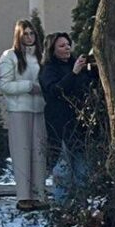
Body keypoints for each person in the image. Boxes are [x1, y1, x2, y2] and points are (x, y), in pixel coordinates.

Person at [0, 19, 49, 208]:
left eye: (32, 33)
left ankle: (39, 194)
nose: (29, 37)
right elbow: (5, 85)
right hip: (19, 109)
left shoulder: (41, 56)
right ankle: (24, 197)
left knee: (39, 153)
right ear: (18, 35)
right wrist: (29, 87)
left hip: (39, 109)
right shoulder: (9, 56)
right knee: (22, 152)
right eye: (25, 34)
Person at [41, 32, 98, 203]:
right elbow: (55, 91)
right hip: (59, 125)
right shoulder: (48, 69)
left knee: (83, 171)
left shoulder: (77, 64)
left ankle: (82, 209)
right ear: (53, 49)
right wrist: (73, 74)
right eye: (61, 46)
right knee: (63, 171)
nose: (67, 48)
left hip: (80, 124)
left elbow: (87, 85)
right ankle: (62, 209)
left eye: (68, 44)